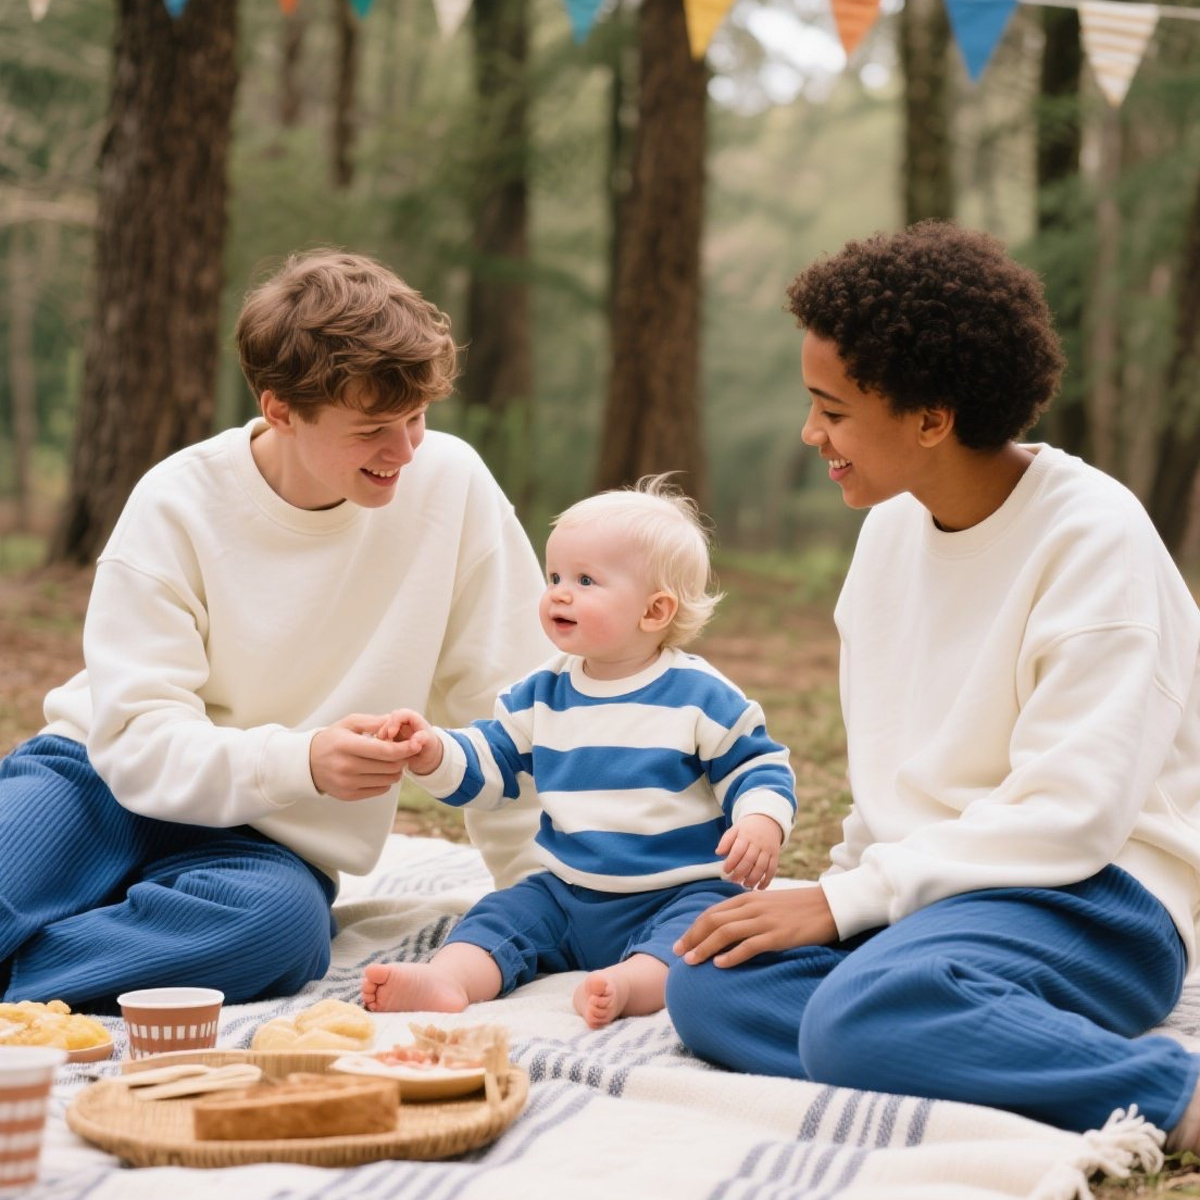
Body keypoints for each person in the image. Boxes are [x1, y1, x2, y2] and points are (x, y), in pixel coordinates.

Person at [664, 221, 1200, 1147]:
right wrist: (840, 895)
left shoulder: (1093, 538)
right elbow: (893, 777)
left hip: (1096, 897)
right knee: (713, 981)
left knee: (859, 1014)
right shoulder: (889, 534)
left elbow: (1071, 816)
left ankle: (1173, 1097)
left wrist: (842, 905)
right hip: (943, 899)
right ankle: (949, 1041)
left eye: (831, 410)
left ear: (929, 419)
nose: (810, 433)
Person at [0, 248, 552, 1010]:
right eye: (372, 430)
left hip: (269, 843)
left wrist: (549, 898)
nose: (404, 451)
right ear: (281, 410)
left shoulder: (452, 488)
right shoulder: (177, 503)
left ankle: (28, 977)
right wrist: (303, 761)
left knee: (281, 935)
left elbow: (515, 704)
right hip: (98, 785)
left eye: (418, 418)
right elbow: (134, 742)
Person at [360, 477, 797, 1027]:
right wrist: (432, 751)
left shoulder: (701, 698)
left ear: (655, 611)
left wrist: (760, 820)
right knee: (502, 914)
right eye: (555, 577)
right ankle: (449, 979)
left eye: (586, 580)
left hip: (674, 891)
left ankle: (629, 984)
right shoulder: (541, 693)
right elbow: (488, 765)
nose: (559, 593)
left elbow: (759, 765)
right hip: (568, 892)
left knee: (700, 932)